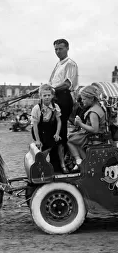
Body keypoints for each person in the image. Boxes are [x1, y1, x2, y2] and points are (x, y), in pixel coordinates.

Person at [49, 38, 78, 171]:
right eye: (55, 49)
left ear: (67, 48)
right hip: (55, 96)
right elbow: (50, 84)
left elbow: (67, 83)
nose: (58, 51)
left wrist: (52, 90)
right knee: (51, 128)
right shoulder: (57, 64)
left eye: (60, 48)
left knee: (60, 129)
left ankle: (63, 163)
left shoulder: (70, 64)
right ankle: (55, 162)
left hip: (64, 97)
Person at [67, 85, 106, 172]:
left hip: (93, 136)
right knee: (73, 138)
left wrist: (80, 123)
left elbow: (95, 129)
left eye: (84, 99)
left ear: (91, 99)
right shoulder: (98, 107)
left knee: (70, 141)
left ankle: (80, 161)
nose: (82, 101)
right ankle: (84, 162)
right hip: (92, 135)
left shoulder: (93, 112)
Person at [31, 84, 64, 171]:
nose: (47, 97)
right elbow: (35, 125)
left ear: (52, 95)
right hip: (38, 129)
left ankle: (61, 164)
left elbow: (59, 121)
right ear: (41, 96)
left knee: (59, 141)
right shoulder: (37, 108)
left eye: (49, 95)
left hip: (49, 128)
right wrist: (38, 140)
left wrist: (57, 134)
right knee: (45, 145)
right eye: (44, 95)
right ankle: (40, 163)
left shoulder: (55, 107)